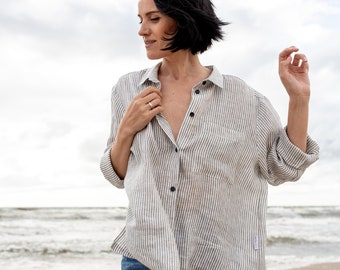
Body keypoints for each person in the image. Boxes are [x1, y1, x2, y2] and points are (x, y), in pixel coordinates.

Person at [100, 0, 319, 269]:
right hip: (145, 256)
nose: (142, 30)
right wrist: (126, 130)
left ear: (183, 19)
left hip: (217, 258)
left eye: (153, 19)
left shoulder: (245, 100)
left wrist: (299, 99)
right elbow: (116, 175)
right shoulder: (128, 89)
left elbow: (284, 168)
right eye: (140, 20)